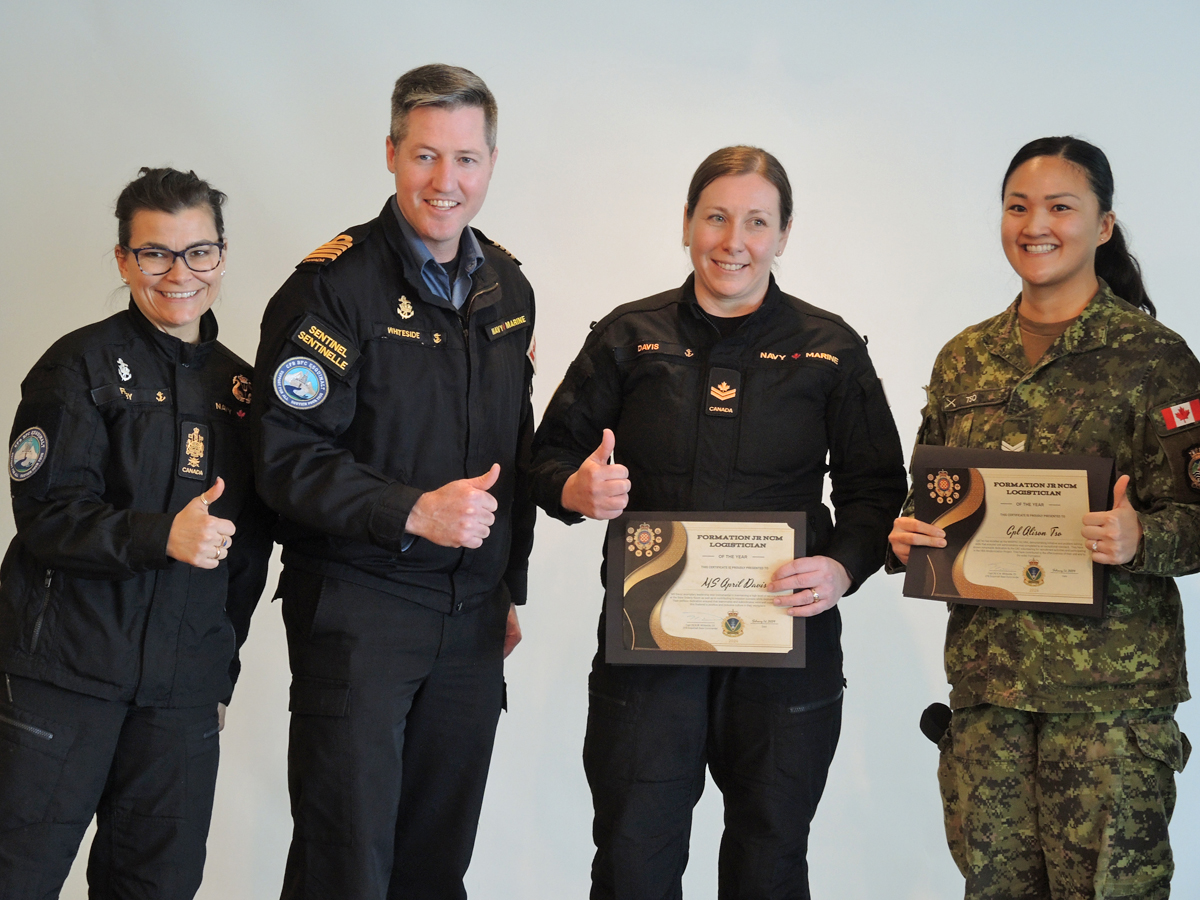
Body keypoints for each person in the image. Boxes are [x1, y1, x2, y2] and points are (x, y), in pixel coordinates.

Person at [531, 146, 907, 899]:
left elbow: (877, 489)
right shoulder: (627, 337)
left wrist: (839, 568)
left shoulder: (832, 350)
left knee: (769, 863)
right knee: (635, 859)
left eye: (756, 222)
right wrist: (579, 489)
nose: (734, 240)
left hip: (784, 645)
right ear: (687, 224)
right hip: (651, 648)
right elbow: (546, 461)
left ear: (784, 233)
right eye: (716, 217)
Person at [250, 63, 534, 900]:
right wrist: (413, 511)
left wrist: (506, 584)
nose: (446, 182)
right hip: (360, 608)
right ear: (390, 153)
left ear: (490, 163)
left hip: (471, 620)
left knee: (435, 864)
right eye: (425, 156)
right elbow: (285, 459)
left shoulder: (506, 287)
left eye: (468, 159)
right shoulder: (330, 290)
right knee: (348, 860)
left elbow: (509, 448)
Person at [888, 136, 1198, 899]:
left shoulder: (1155, 358)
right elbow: (928, 496)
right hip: (989, 694)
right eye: (1018, 206)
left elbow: (1194, 518)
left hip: (1109, 707)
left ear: (1104, 225)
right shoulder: (965, 358)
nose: (1037, 224)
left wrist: (1139, 537)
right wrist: (905, 538)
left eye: (1062, 206)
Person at [0, 167, 273, 897]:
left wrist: (219, 672)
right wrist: (162, 537)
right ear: (123, 259)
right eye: (155, 253)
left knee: (157, 888)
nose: (179, 273)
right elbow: (47, 517)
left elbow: (247, 558)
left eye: (199, 252)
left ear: (221, 255)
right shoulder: (75, 366)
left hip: (179, 698)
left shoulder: (242, 392)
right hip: (63, 680)